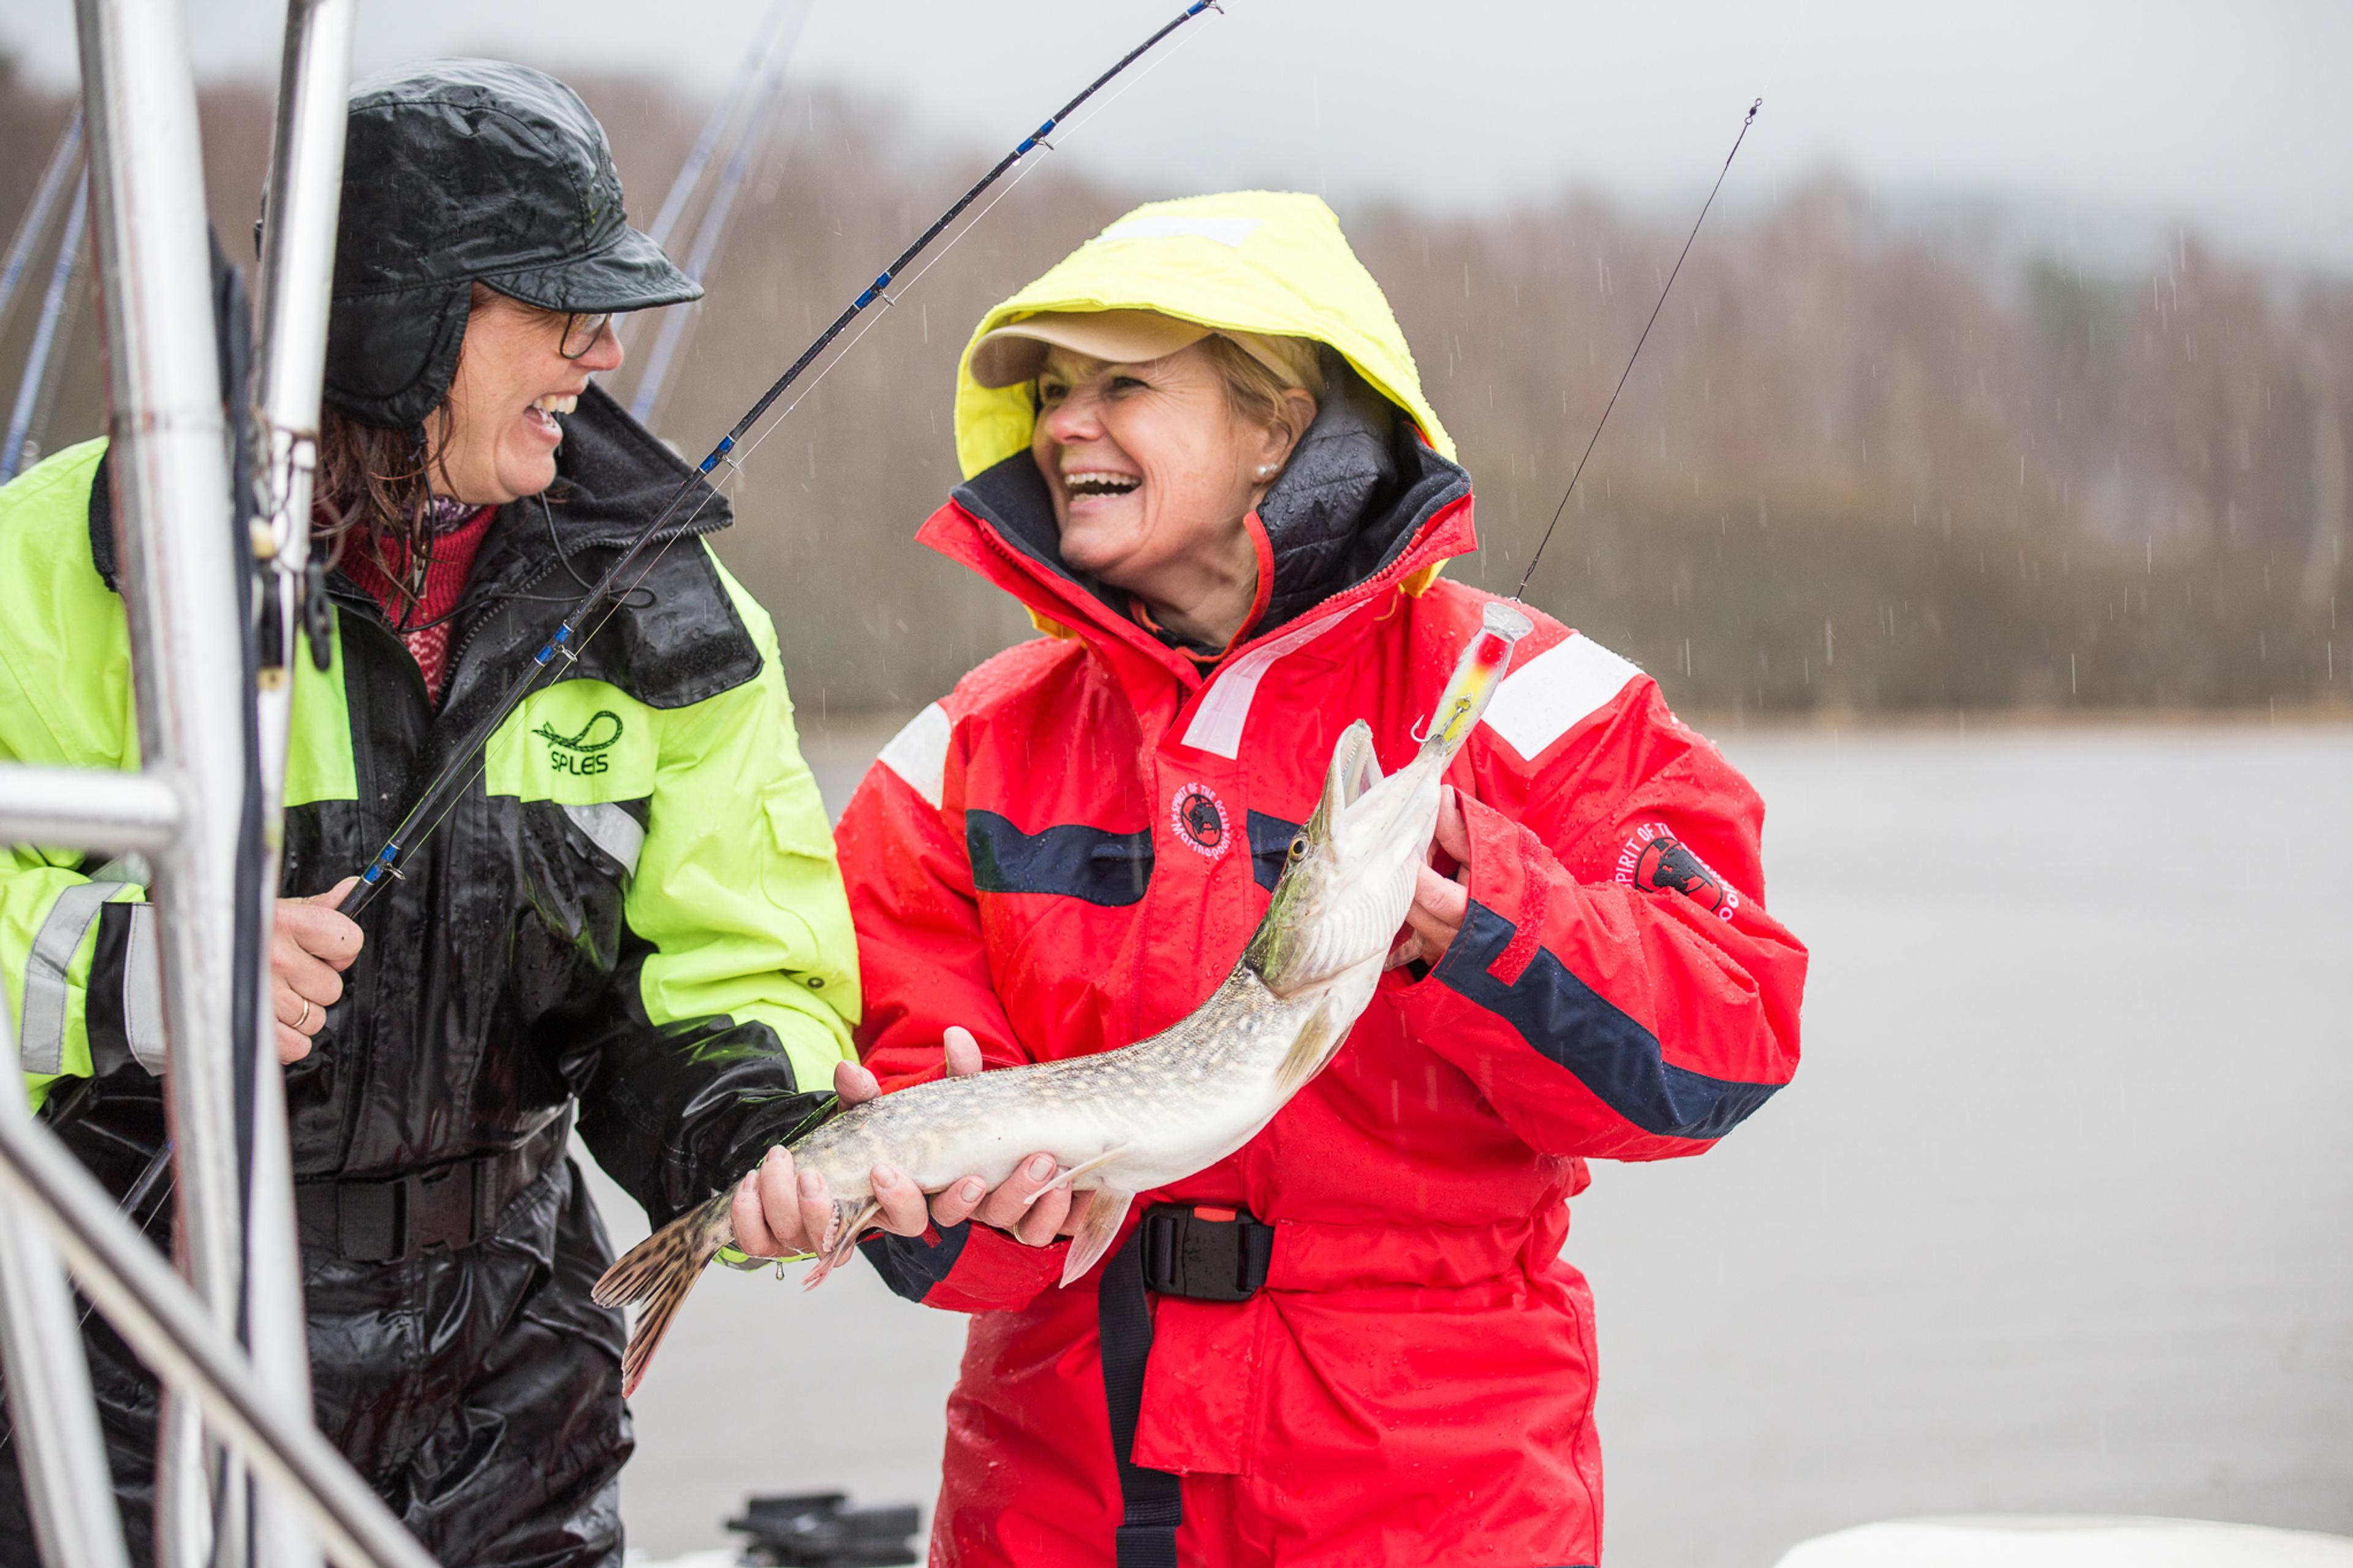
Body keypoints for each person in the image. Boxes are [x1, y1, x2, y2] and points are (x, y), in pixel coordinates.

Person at [731, 192, 1809, 1567]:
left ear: (1274, 433)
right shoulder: (963, 754)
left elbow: (1730, 1038)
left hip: (1428, 1509)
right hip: (1062, 1509)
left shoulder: (1533, 703)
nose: (1066, 422)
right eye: (1055, 389)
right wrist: (939, 1222)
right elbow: (931, 1158)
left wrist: (1486, 918)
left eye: (1124, 383)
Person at [0, 61, 858, 1566]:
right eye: (556, 306)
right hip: (126, 1363)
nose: (602, 351)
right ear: (401, 315)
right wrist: (148, 967)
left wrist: (755, 1137)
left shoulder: (679, 616)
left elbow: (733, 965)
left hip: (512, 1398)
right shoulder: (54, 564)